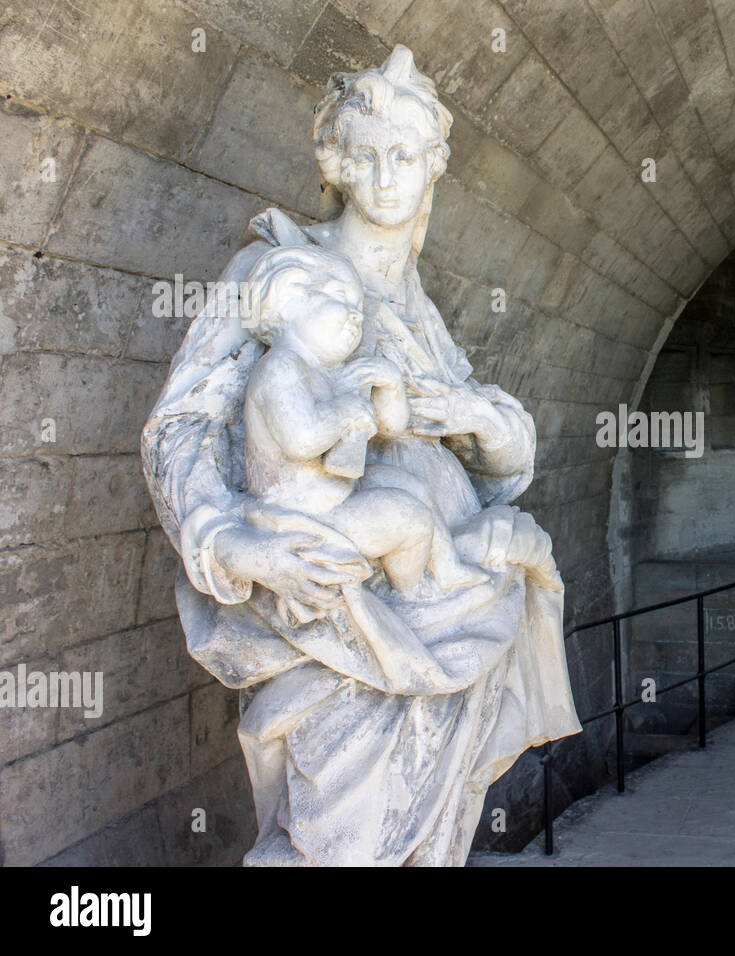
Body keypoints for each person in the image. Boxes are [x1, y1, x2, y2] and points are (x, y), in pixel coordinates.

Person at [140, 45, 580, 866]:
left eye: (405, 157)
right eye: (367, 155)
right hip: (330, 604)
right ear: (336, 164)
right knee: (333, 841)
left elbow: (493, 455)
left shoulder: (419, 309)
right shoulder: (277, 275)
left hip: (451, 614)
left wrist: (482, 422)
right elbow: (182, 427)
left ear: (431, 171)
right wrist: (229, 540)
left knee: (428, 835)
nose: (385, 177)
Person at [240, 243, 486, 622]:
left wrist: (389, 387)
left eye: (359, 307)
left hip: (335, 496)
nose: (356, 316)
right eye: (342, 300)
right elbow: (301, 440)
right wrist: (344, 410)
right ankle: (411, 597)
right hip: (299, 513)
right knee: (409, 518)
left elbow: (391, 428)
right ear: (289, 301)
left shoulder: (330, 372)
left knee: (412, 486)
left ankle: (446, 567)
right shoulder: (280, 370)